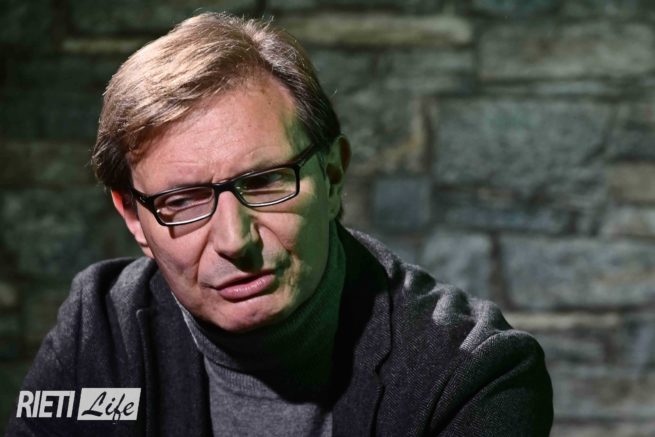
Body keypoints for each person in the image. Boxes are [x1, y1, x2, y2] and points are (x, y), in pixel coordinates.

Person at [7, 12, 552, 436]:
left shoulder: (472, 373)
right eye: (183, 200)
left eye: (265, 182)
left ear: (332, 176)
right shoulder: (101, 329)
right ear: (134, 217)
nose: (233, 240)